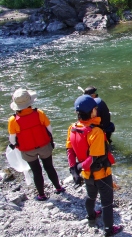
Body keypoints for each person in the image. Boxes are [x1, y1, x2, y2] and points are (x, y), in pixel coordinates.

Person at [66, 95, 122, 236]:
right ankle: (109, 230)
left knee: (91, 196)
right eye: (95, 108)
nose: (97, 110)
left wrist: (74, 169)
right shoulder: (95, 132)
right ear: (91, 112)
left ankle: (91, 215)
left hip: (87, 175)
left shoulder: (72, 128)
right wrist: (78, 168)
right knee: (107, 202)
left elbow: (70, 150)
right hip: (101, 174)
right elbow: (94, 157)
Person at [7, 88, 65, 201]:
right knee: (49, 167)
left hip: (28, 150)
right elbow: (50, 130)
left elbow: (12, 140)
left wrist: (14, 145)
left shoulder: (13, 120)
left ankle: (42, 195)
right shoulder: (39, 113)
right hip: (44, 146)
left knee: (36, 171)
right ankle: (58, 188)